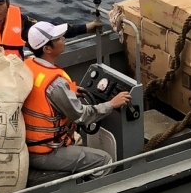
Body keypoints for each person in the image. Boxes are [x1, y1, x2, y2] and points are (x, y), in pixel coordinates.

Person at [22, 21, 131, 182]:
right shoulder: (56, 83)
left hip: (29, 146)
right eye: (58, 38)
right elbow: (80, 116)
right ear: (47, 49)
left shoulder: (29, 64)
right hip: (45, 152)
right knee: (105, 161)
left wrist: (69, 93)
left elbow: (43, 95)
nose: (63, 39)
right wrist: (112, 104)